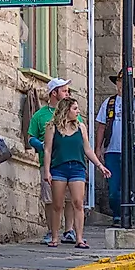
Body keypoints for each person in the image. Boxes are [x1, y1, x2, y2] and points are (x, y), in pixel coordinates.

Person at [43, 86, 90, 248]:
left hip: (77, 167)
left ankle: (79, 238)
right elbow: (47, 150)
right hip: (59, 167)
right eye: (75, 109)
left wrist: (99, 164)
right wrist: (47, 171)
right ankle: (55, 237)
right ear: (66, 110)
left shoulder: (81, 127)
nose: (78, 112)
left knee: (78, 202)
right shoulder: (52, 127)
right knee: (57, 204)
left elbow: (87, 148)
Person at [96, 68, 135, 223]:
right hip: (112, 150)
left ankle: (132, 214)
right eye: (120, 82)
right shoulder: (109, 103)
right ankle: (117, 214)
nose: (122, 85)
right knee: (113, 188)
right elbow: (101, 126)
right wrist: (98, 147)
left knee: (130, 184)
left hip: (133, 151)